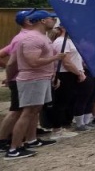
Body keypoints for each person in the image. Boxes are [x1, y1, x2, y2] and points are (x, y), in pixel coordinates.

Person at [7, 10, 65, 159]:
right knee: (27, 112)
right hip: (32, 79)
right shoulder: (31, 39)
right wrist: (55, 58)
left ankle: (31, 140)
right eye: (52, 18)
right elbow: (32, 62)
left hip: (42, 78)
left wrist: (52, 75)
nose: (54, 21)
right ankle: (14, 148)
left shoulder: (41, 37)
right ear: (42, 21)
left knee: (35, 111)